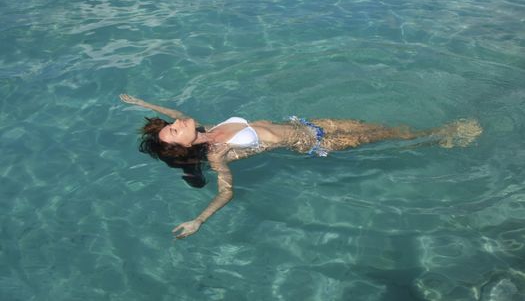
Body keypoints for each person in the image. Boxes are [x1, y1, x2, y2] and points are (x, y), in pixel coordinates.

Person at [119, 94, 482, 239]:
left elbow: (177, 112)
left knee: (380, 127)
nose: (177, 124)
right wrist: (199, 220)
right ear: (182, 147)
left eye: (171, 126)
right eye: (172, 131)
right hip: (316, 142)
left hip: (310, 123)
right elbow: (227, 192)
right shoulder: (217, 154)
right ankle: (444, 136)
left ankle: (436, 134)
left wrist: (140, 103)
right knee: (392, 135)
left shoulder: (202, 126)